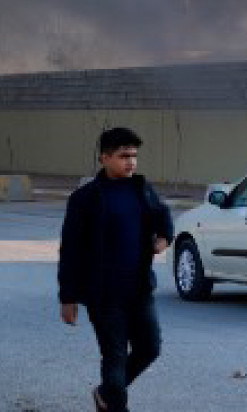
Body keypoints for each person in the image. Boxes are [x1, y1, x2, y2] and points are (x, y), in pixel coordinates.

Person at [58, 127, 173, 412]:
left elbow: (163, 214)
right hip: (104, 295)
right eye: (124, 156)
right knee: (115, 358)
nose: (131, 162)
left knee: (150, 348)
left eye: (134, 156)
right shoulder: (85, 198)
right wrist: (67, 297)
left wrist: (163, 237)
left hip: (139, 289)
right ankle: (114, 403)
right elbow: (70, 250)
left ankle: (105, 395)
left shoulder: (141, 188)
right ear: (104, 158)